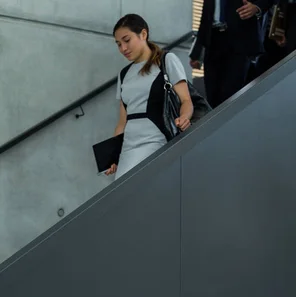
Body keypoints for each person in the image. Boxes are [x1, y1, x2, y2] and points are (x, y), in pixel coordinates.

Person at [105, 14, 193, 179]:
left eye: (127, 40)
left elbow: (186, 100)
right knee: (123, 197)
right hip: (128, 146)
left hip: (155, 139)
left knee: (136, 191)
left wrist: (184, 117)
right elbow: (122, 122)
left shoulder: (166, 60)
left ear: (143, 34)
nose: (123, 48)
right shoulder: (124, 74)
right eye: (118, 44)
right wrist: (113, 155)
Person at [190, 0, 273, 108]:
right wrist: (197, 52)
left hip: (239, 41)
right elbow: (205, 16)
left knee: (231, 95)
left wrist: (257, 7)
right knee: (212, 97)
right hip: (213, 42)